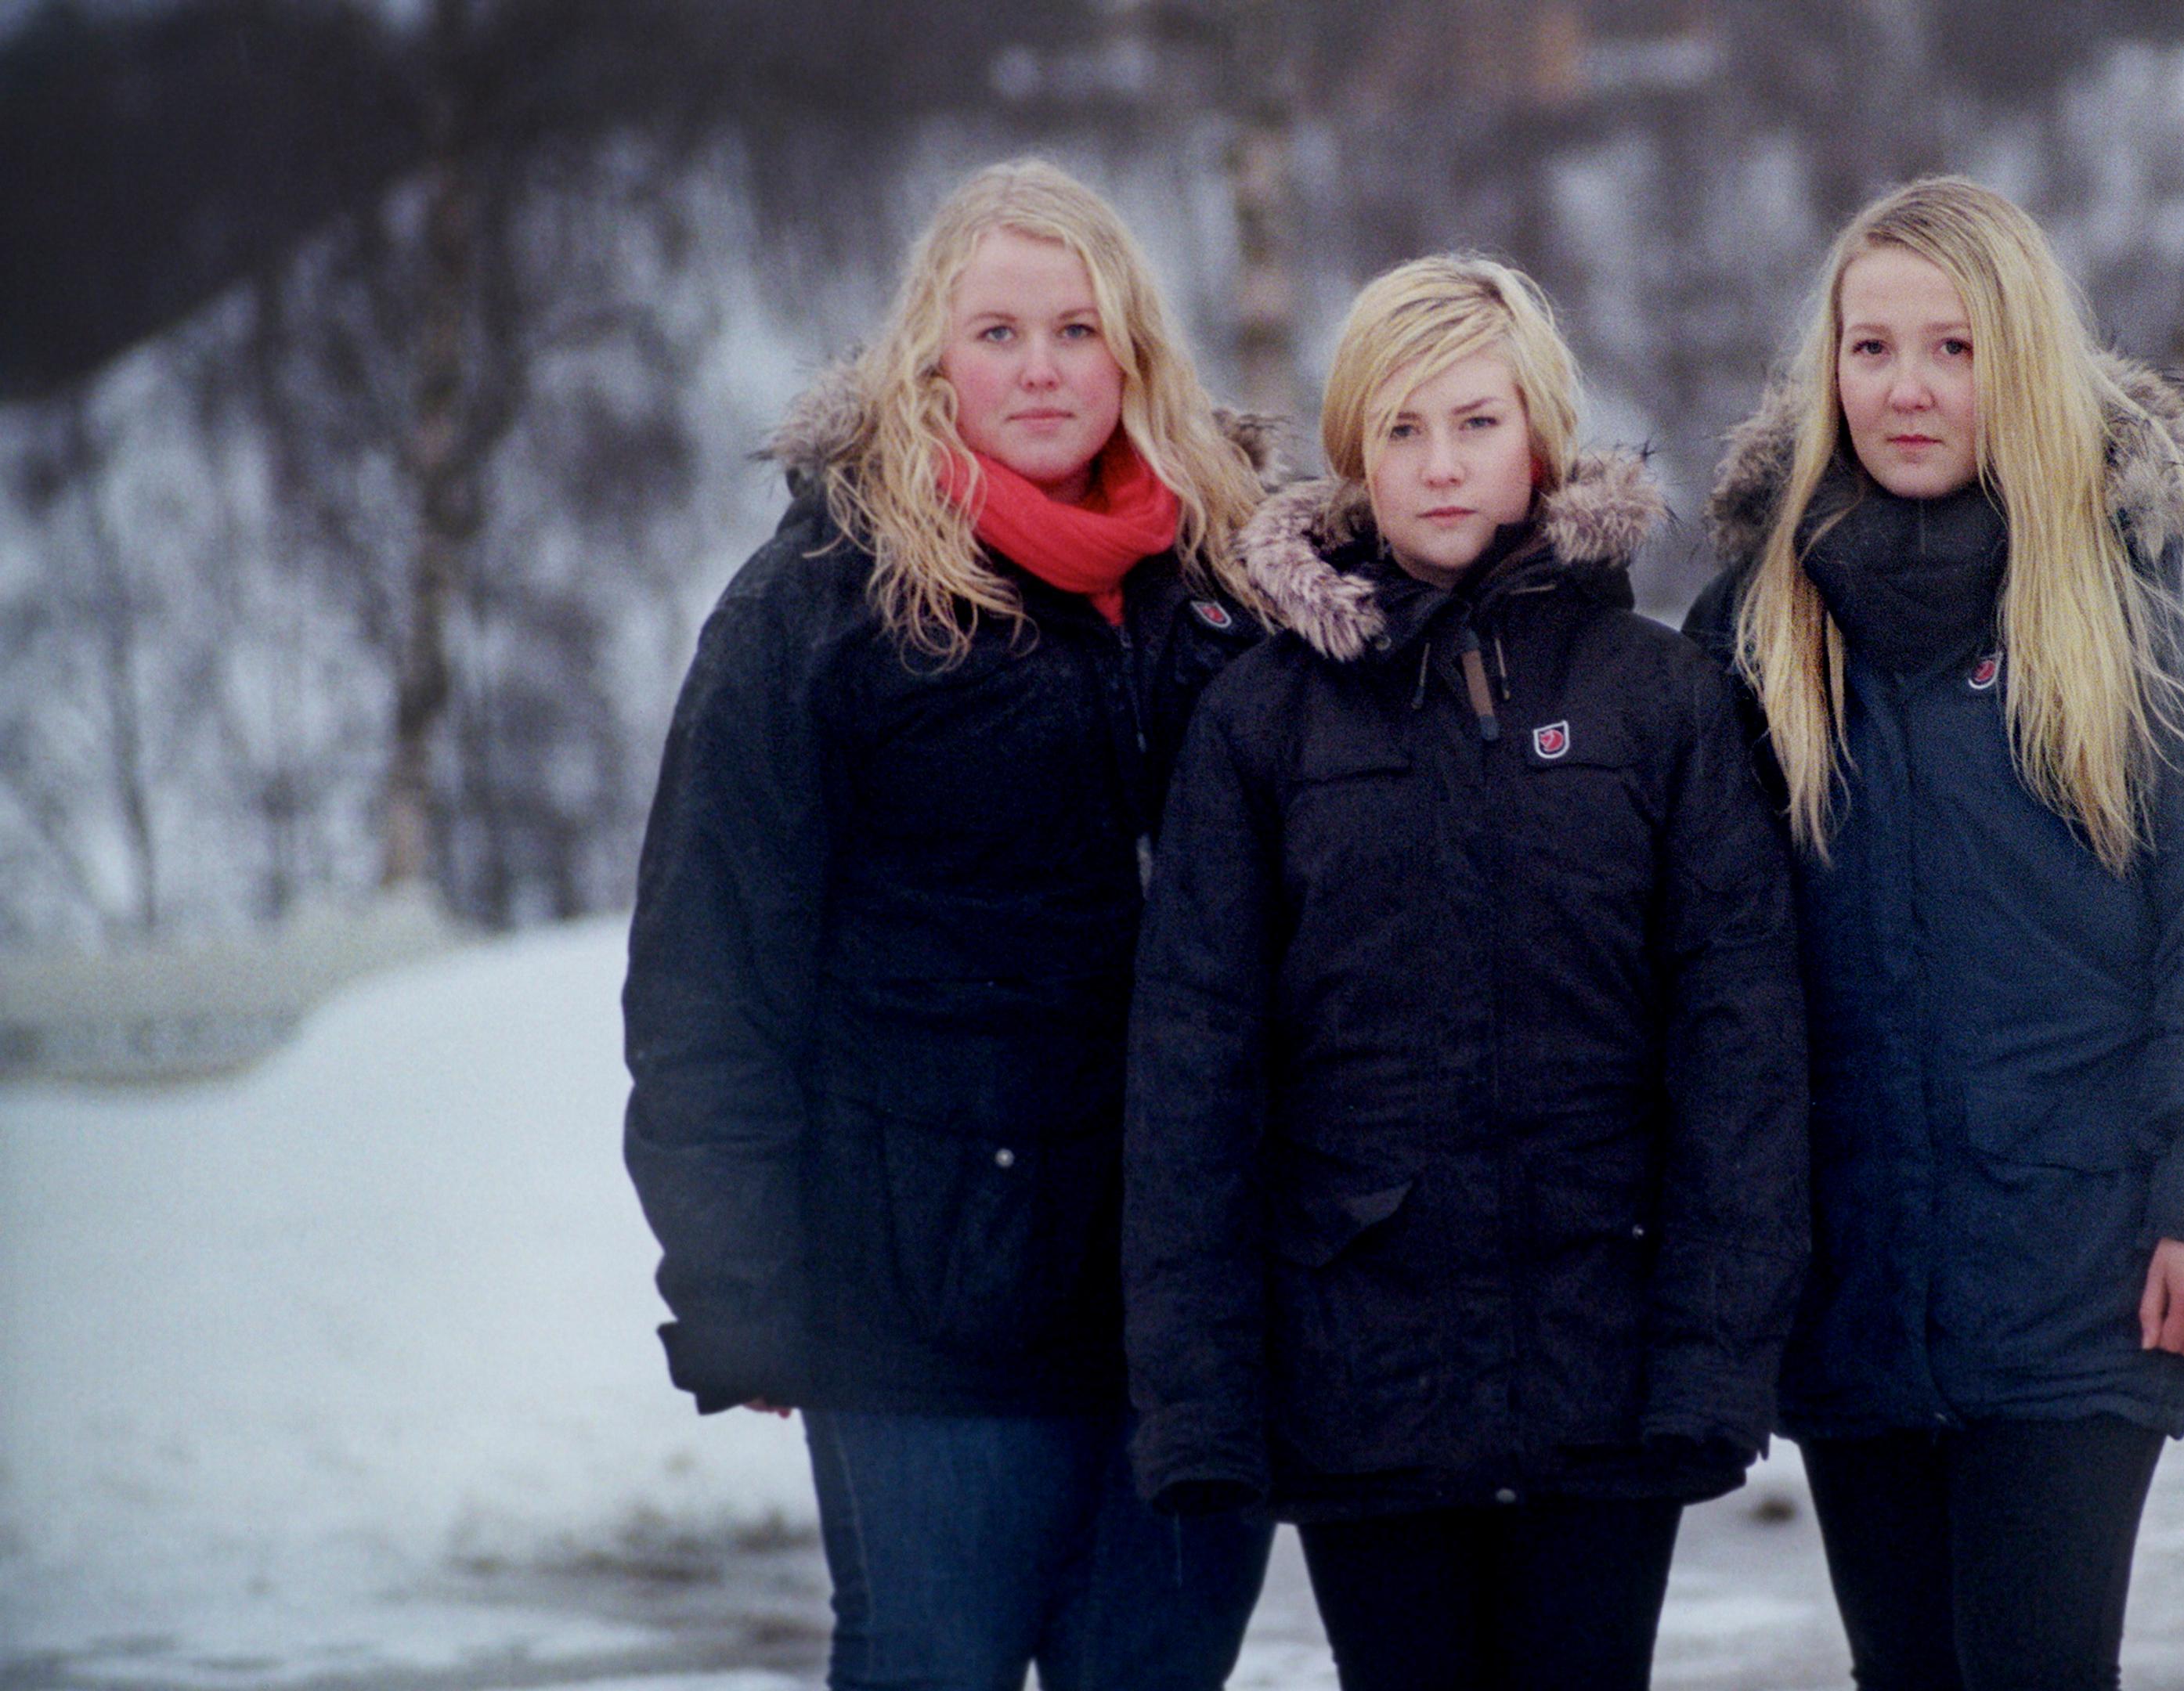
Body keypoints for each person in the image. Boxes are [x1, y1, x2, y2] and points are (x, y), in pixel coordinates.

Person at [621, 158, 1280, 1691]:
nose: (1041, 368)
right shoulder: (822, 601)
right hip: (923, 1301)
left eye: (1076, 329)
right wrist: (734, 1286)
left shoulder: (1233, 580)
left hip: (1191, 1302)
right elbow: (710, 968)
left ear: (1133, 350)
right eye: (999, 333)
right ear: (931, 357)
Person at [1122, 255, 1810, 1691]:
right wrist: (1199, 1401)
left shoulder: (1661, 698)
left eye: (1477, 423)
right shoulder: (1260, 722)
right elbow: (1194, 1072)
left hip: (1602, 1367)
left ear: (1540, 438)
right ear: (1355, 458)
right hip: (1360, 1378)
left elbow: (1739, 1045)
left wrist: (1712, 1360)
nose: (1441, 465)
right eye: (1402, 429)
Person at [1684, 177, 2184, 1690]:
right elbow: (1702, 971)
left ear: (2023, 359)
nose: (1907, 389)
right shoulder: (1753, 629)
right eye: (1872, 349)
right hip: (1847, 1286)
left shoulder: (2154, 614)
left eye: (1954, 348)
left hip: (2082, 1269)